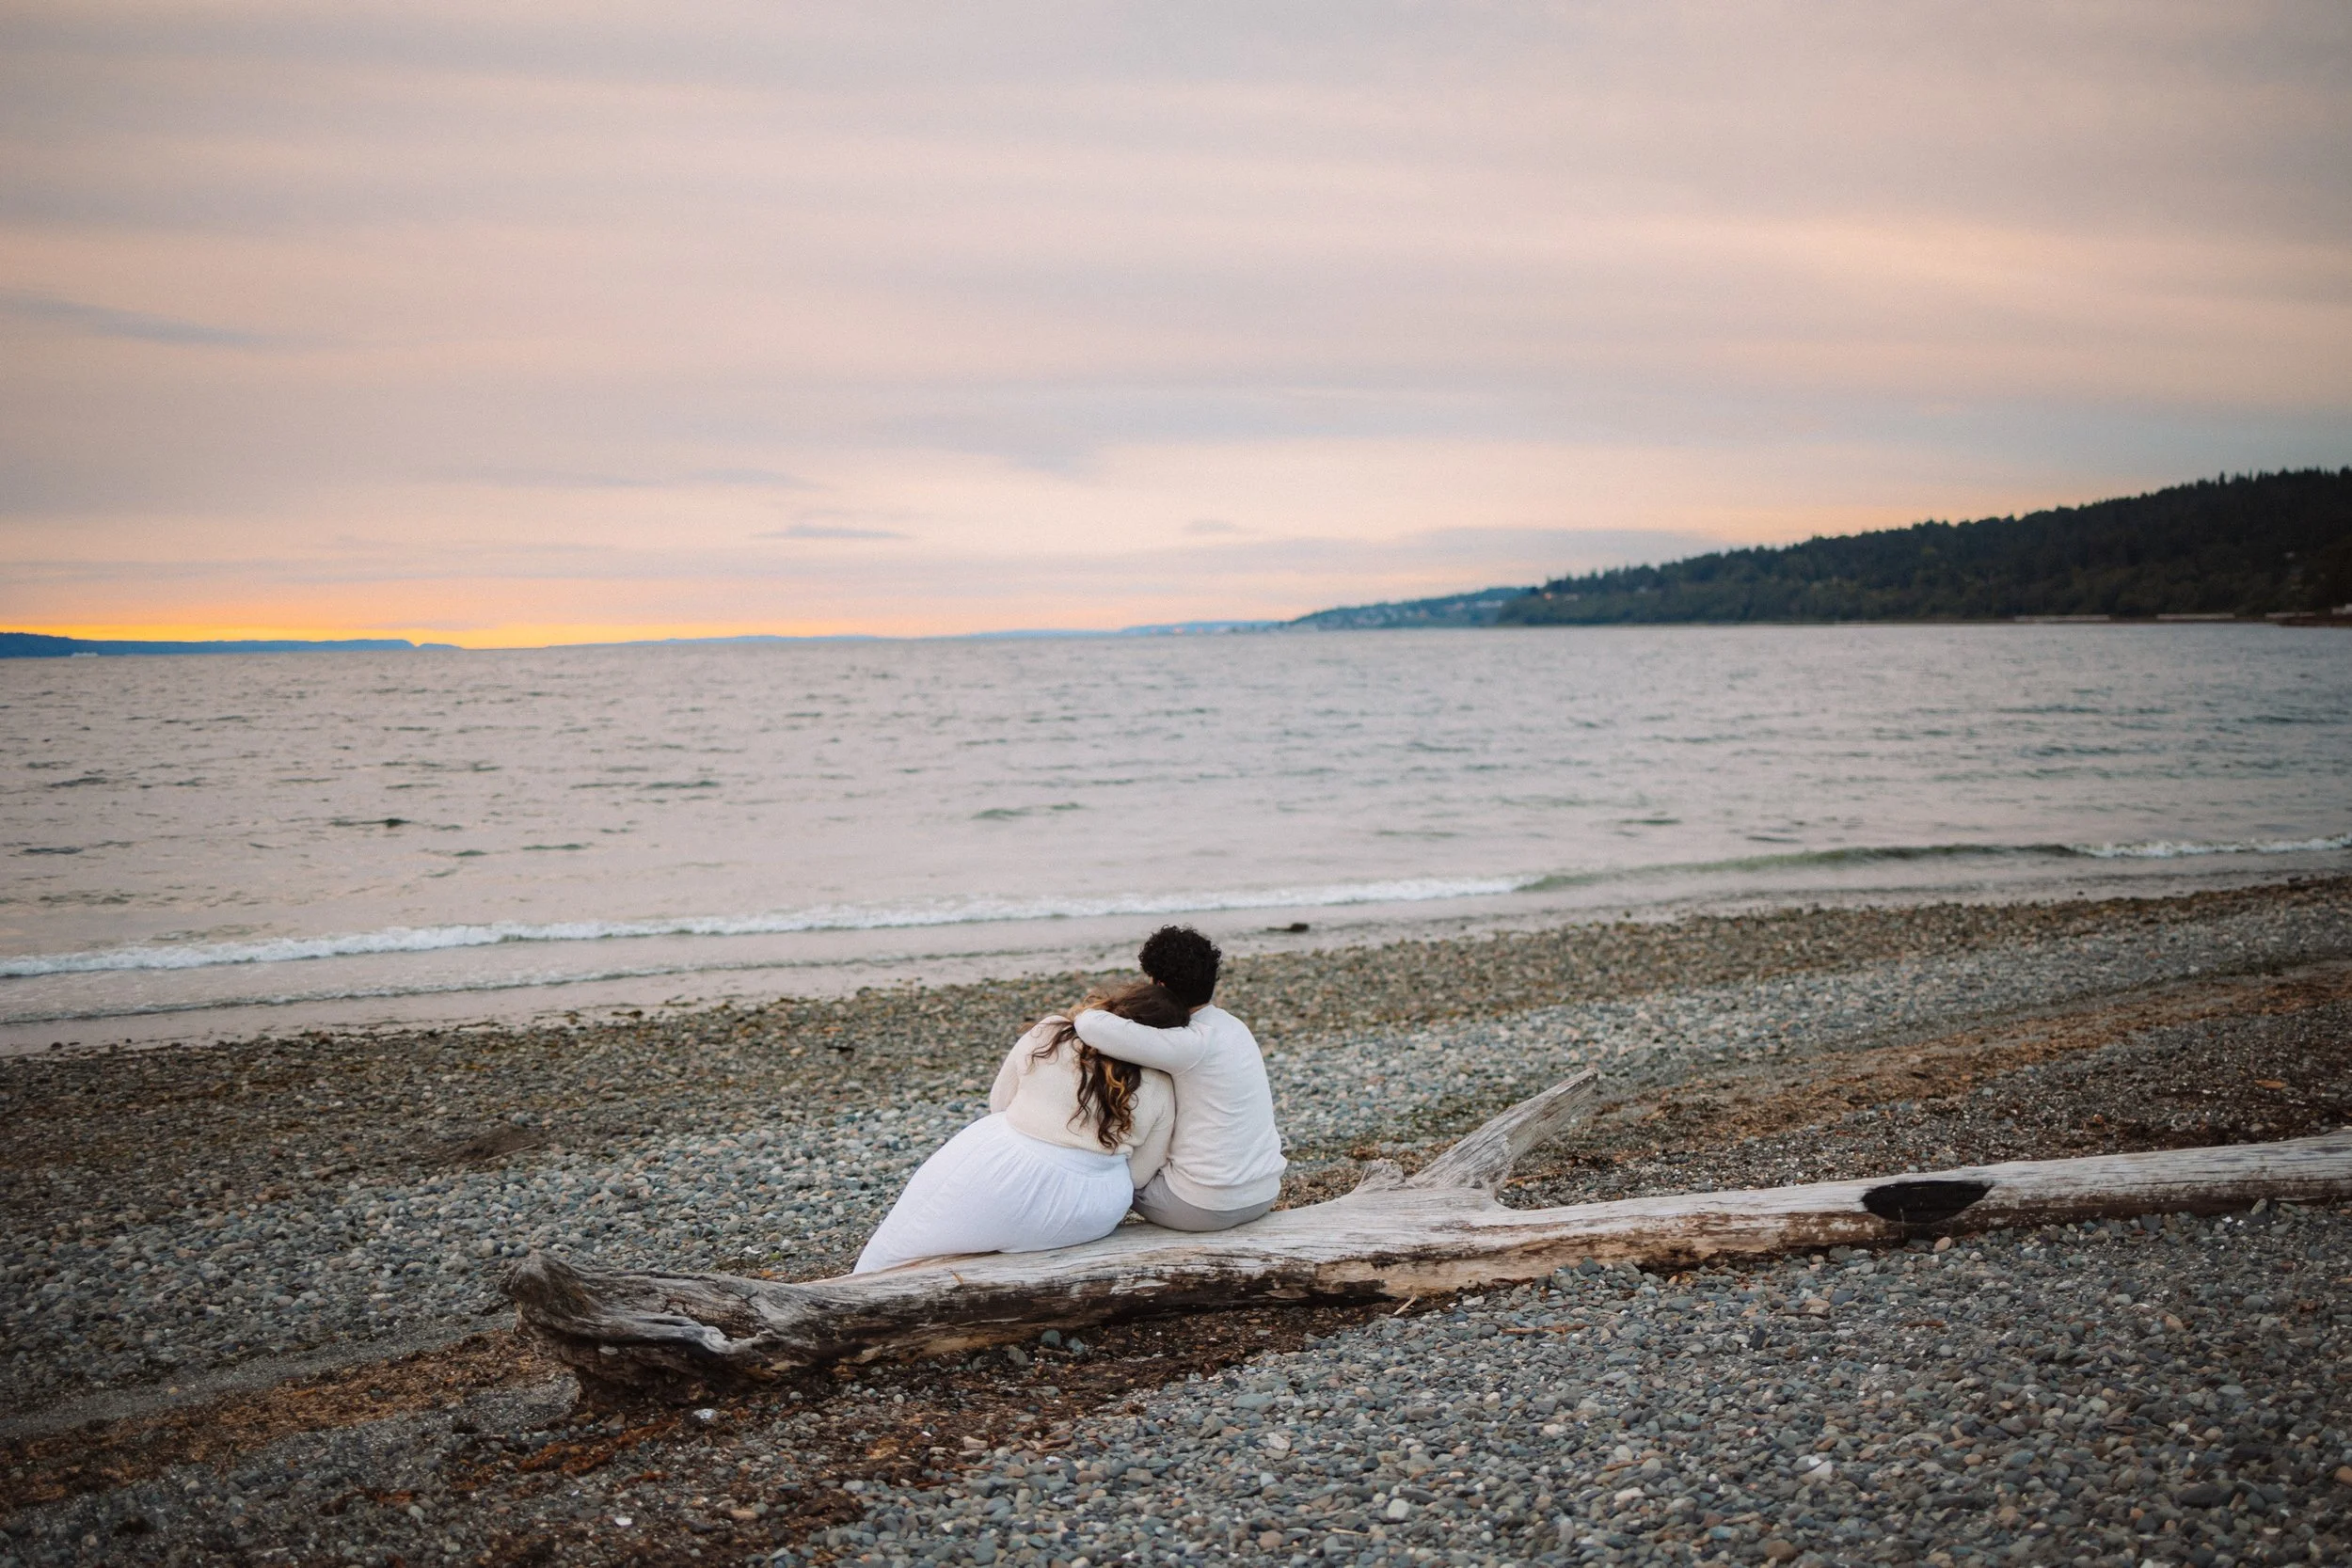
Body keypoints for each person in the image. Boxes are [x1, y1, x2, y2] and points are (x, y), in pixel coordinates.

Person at [853, 982, 1181, 1274]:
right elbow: (1138, 1176)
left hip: (1009, 1177)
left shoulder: (1051, 1032)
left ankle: (866, 1280)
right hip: (1092, 1210)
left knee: (909, 1237)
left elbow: (1000, 1102)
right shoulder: (1162, 1083)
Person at [1073, 925, 1285, 1231]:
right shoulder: (1233, 1026)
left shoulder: (1188, 1044)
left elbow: (1089, 1024)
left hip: (1204, 1206)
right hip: (1263, 1193)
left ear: (1158, 984)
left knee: (1114, 1178)